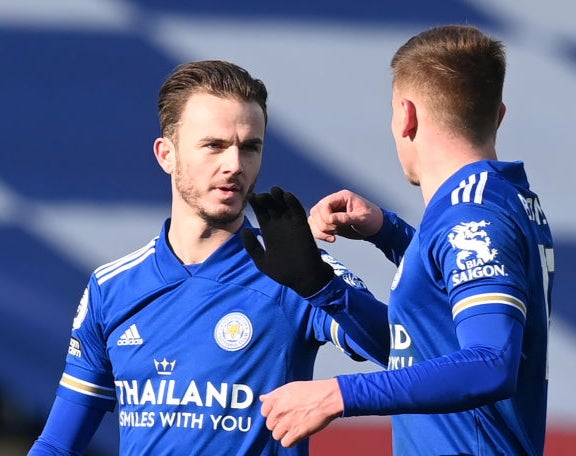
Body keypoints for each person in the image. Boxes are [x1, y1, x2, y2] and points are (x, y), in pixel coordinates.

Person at [28, 60, 390, 456]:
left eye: (250, 147)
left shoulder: (298, 271)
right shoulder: (111, 287)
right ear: (166, 154)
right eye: (214, 145)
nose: (234, 165)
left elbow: (406, 352)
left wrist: (325, 289)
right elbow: (58, 445)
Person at [246, 25, 555, 455]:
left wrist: (338, 393)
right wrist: (371, 246)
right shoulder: (493, 201)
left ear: (406, 115)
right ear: (498, 114)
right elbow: (426, 341)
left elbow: (491, 363)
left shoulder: (472, 215)